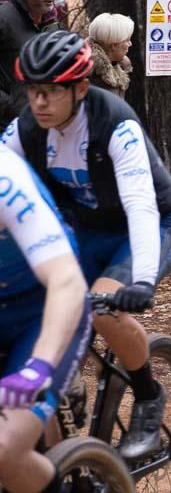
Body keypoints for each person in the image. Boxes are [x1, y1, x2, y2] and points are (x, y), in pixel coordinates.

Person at [2, 30, 171, 462]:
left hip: (143, 229)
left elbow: (140, 203)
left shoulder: (114, 122)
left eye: (52, 93)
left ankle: (148, 395)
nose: (39, 103)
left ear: (81, 88)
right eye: (33, 92)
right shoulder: (25, 129)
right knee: (49, 306)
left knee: (102, 307)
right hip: (82, 230)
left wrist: (140, 280)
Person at [0, 143, 90, 493]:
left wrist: (38, 366)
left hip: (43, 310)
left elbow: (65, 280)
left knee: (5, 449)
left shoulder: (6, 178)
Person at [0, 0, 63, 123]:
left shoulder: (52, 24)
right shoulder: (4, 20)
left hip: (44, 121)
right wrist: (9, 108)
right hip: (9, 125)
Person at [87, 13, 135, 98]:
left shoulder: (119, 66)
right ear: (114, 45)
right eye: (127, 40)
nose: (130, 44)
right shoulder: (89, 74)